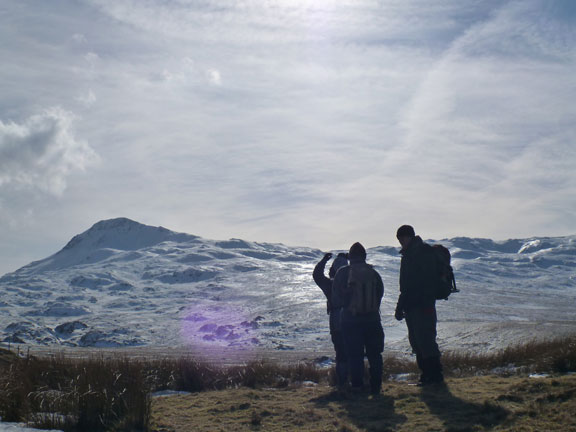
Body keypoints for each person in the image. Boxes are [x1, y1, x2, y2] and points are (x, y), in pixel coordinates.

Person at [332, 242, 384, 394]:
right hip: (373, 320)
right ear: (364, 256)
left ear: (350, 257)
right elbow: (379, 294)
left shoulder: (342, 273)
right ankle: (376, 387)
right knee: (375, 354)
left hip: (350, 320)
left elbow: (336, 299)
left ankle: (357, 386)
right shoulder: (373, 273)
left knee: (355, 355)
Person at [394, 225, 444, 386]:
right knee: (417, 341)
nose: (401, 241)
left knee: (426, 341)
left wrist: (411, 302)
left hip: (423, 305)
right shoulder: (409, 255)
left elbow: (422, 282)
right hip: (413, 306)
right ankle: (426, 375)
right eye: (399, 239)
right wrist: (401, 306)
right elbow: (405, 286)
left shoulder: (422, 253)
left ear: (409, 237)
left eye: (402, 238)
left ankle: (435, 376)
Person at [313, 252, 349, 386]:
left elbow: (317, 275)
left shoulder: (329, 284)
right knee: (353, 352)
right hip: (353, 321)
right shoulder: (353, 281)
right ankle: (356, 381)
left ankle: (342, 382)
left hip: (336, 322)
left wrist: (324, 260)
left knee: (340, 353)